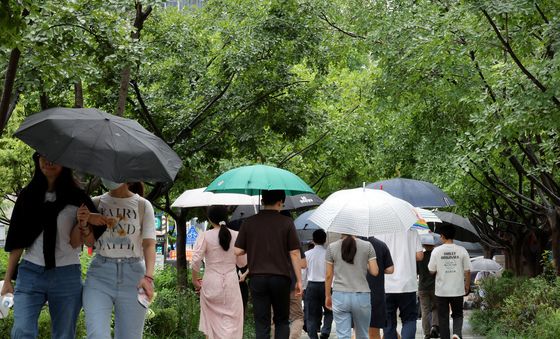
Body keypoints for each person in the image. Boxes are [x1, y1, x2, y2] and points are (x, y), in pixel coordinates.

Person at [1, 152, 107, 338]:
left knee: (64, 334)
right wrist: (8, 279)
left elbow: (90, 241)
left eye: (54, 157)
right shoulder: (28, 196)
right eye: (43, 156)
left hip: (66, 275)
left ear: (65, 163)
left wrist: (84, 224)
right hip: (31, 273)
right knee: (22, 330)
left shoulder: (77, 197)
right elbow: (17, 240)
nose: (48, 161)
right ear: (37, 159)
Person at [81, 179, 156, 339]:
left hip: (134, 276)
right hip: (100, 274)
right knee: (97, 335)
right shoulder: (95, 202)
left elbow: (149, 244)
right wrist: (86, 221)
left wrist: (148, 277)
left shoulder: (143, 205)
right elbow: (89, 242)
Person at [234, 189, 302, 339]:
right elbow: (295, 253)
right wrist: (299, 280)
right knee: (281, 321)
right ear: (280, 202)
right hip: (281, 279)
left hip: (257, 278)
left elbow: (238, 251)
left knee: (262, 322)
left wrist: (252, 245)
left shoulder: (249, 222)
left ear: (262, 201)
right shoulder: (287, 223)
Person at [191, 205, 247, 338]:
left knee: (211, 323)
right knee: (232, 322)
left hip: (211, 283)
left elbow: (195, 261)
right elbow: (243, 262)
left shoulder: (205, 236)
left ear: (210, 219)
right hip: (231, 283)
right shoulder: (236, 235)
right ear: (226, 217)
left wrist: (195, 280)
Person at [325, 234, 379, 339]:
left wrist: (327, 295)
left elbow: (328, 275)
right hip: (362, 295)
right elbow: (375, 271)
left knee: (343, 335)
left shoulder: (332, 247)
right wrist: (363, 263)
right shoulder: (367, 246)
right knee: (363, 335)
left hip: (340, 295)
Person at [376, 229, 423, 339]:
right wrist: (408, 255)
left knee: (388, 322)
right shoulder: (412, 232)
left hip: (386, 285)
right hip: (407, 284)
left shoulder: (379, 233)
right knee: (409, 319)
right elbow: (420, 256)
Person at [428, 225, 471, 339]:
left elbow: (431, 270)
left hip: (441, 291)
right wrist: (466, 286)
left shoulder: (436, 251)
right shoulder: (462, 250)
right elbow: (467, 270)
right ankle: (457, 334)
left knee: (443, 317)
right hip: (457, 289)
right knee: (457, 314)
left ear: (442, 236)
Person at [363, 236, 394, 339]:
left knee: (358, 330)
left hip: (355, 292)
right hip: (376, 292)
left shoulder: (351, 244)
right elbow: (390, 269)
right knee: (374, 330)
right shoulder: (381, 245)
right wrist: (377, 268)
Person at [304, 229, 333, 339]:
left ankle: (313, 336)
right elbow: (332, 273)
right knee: (329, 310)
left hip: (311, 285)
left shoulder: (307, 254)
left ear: (313, 240)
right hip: (327, 285)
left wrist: (302, 287)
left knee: (311, 314)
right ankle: (325, 331)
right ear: (325, 240)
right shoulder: (329, 254)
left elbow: (303, 273)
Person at [417, 238, 439, 339]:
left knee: (425, 310)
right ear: (434, 245)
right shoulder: (436, 257)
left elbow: (417, 272)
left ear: (424, 245)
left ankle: (426, 334)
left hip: (422, 287)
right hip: (436, 286)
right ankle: (435, 327)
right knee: (436, 308)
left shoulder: (420, 258)